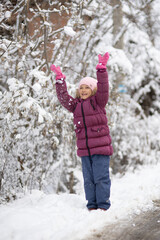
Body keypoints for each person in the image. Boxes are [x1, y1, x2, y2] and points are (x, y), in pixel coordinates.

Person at [50, 52, 113, 211]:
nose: (84, 90)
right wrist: (60, 81)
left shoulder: (98, 102)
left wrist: (101, 70)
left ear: (93, 90)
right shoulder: (76, 105)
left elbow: (104, 88)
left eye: (88, 87)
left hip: (100, 148)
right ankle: (92, 205)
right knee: (88, 180)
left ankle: (103, 206)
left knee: (101, 177)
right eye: (81, 87)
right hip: (85, 150)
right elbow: (64, 98)